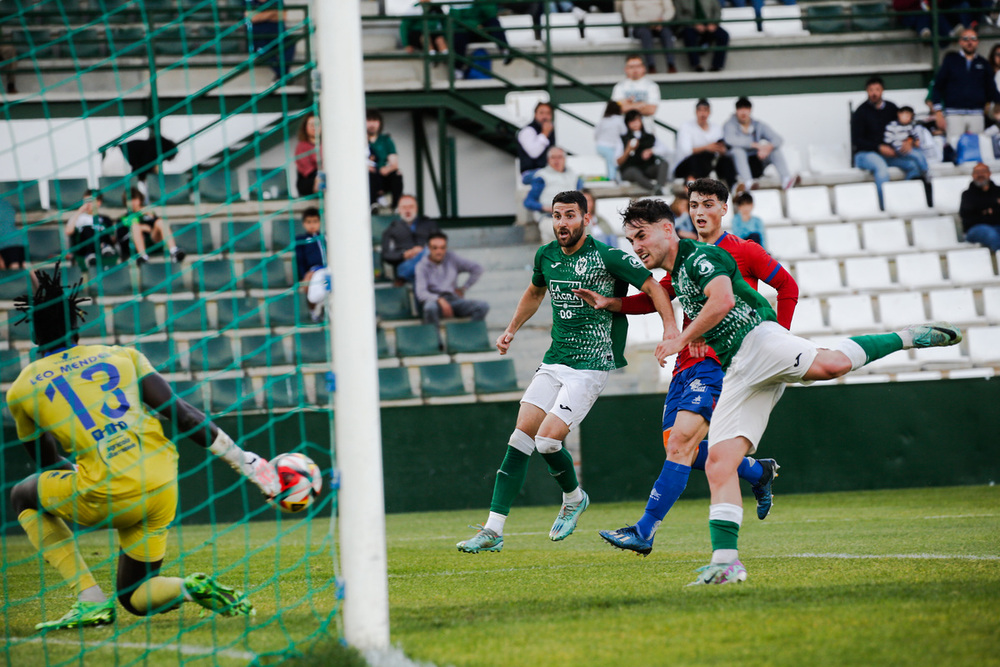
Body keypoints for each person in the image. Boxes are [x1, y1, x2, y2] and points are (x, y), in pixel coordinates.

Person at [611, 188, 961, 584]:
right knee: (718, 463)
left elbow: (723, 300)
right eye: (630, 240)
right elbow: (701, 307)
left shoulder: (700, 256)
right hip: (738, 368)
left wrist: (682, 336)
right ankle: (727, 563)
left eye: (641, 236)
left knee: (830, 365)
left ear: (666, 229)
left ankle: (908, 336)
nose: (636, 247)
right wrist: (686, 331)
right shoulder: (677, 272)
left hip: (760, 340)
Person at [7, 263, 280, 630]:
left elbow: (45, 461)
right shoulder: (124, 356)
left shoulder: (22, 388)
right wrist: (248, 463)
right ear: (77, 325)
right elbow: (182, 415)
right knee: (135, 596)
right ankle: (187, 587)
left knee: (23, 495)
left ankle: (90, 599)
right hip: (161, 484)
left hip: (105, 490)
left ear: (34, 334)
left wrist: (71, 456)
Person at [576, 178, 798, 556]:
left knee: (680, 443)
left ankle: (644, 530)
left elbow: (787, 287)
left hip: (721, 360)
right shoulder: (684, 256)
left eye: (708, 204)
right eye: (694, 205)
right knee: (679, 448)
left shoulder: (742, 251)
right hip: (686, 363)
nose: (699, 212)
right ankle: (758, 471)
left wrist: (776, 341)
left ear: (723, 209)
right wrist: (610, 303)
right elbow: (657, 296)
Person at [457, 190, 678, 554]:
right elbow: (533, 293)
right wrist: (511, 330)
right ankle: (493, 529)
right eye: (558, 216)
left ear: (585, 219)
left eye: (570, 216)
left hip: (591, 364)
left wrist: (670, 330)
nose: (562, 223)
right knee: (519, 439)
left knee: (547, 441)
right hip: (555, 359)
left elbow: (654, 287)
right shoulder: (546, 255)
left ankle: (574, 498)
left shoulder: (607, 256)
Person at [851, 76, 929, 210]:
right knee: (881, 168)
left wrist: (908, 141)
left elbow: (906, 126)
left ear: (882, 91)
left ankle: (904, 199)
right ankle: (885, 207)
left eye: (877, 89)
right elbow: (857, 141)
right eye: (871, 90)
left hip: (889, 153)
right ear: (866, 91)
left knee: (913, 165)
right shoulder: (860, 112)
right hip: (866, 154)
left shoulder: (892, 108)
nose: (874, 93)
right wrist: (878, 147)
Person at [931, 29, 1000, 151]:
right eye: (966, 39)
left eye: (973, 39)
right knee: (954, 148)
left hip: (976, 114)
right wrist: (938, 113)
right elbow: (937, 87)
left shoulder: (983, 63)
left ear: (977, 42)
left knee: (977, 149)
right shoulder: (950, 60)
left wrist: (997, 103)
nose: (970, 42)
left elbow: (991, 89)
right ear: (960, 42)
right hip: (954, 114)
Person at [722, 96, 799, 193]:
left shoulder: (758, 125)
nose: (743, 112)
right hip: (737, 166)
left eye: (746, 108)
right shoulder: (729, 124)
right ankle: (748, 183)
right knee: (737, 151)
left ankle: (786, 179)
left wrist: (767, 148)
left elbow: (778, 139)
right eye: (740, 109)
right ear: (736, 110)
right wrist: (754, 145)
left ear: (750, 110)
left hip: (756, 163)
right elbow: (730, 140)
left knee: (774, 149)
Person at [414, 232, 489, 325]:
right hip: (433, 302)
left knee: (482, 306)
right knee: (430, 308)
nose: (439, 251)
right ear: (429, 248)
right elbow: (421, 293)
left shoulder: (452, 258)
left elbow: (477, 268)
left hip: (453, 300)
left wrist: (464, 288)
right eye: (435, 248)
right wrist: (440, 300)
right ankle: (435, 339)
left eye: (442, 248)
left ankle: (468, 336)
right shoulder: (421, 266)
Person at [524, 147, 584, 242]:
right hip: (549, 217)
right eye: (553, 157)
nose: (556, 160)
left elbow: (583, 198)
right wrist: (546, 208)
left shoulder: (574, 176)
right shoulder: (542, 177)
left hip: (571, 217)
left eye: (559, 157)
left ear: (564, 159)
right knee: (566, 233)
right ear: (548, 160)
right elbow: (528, 201)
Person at [674, 98, 736, 188]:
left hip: (709, 164)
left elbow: (720, 149)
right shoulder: (686, 127)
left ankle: (735, 187)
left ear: (709, 112)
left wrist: (721, 149)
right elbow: (685, 150)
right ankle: (691, 182)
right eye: (700, 110)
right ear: (696, 112)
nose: (703, 114)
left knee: (725, 160)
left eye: (705, 110)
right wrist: (707, 147)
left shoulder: (716, 128)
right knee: (699, 157)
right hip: (686, 165)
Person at [381, 194, 440, 284]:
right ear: (399, 210)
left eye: (411, 207)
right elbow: (386, 255)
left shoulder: (429, 224)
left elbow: (440, 244)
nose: (408, 210)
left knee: (427, 255)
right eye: (404, 207)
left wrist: (421, 250)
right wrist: (405, 254)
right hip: (405, 265)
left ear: (416, 208)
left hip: (427, 264)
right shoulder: (392, 229)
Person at [120, 188, 185, 264]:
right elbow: (122, 238)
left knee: (160, 221)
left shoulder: (148, 214)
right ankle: (143, 256)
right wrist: (141, 228)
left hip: (152, 242)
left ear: (140, 200)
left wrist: (150, 217)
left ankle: (174, 251)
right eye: (129, 200)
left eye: (135, 199)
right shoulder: (124, 218)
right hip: (134, 247)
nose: (133, 202)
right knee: (136, 227)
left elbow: (157, 227)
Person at [617, 109, 671, 194]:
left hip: (647, 168)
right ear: (627, 123)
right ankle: (656, 189)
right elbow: (618, 161)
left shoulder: (649, 137)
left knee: (664, 164)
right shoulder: (622, 139)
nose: (635, 123)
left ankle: (660, 186)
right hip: (630, 170)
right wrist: (628, 150)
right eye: (632, 121)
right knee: (633, 171)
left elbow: (666, 150)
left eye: (637, 120)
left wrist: (651, 151)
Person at [622, 0, 678, 74]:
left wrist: (662, 20)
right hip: (640, 27)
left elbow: (670, 10)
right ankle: (651, 66)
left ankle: (671, 65)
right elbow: (630, 18)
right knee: (646, 34)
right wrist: (648, 23)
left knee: (666, 33)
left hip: (660, 24)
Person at [64, 191, 118, 268]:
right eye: (86, 202)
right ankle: (91, 253)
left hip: (104, 248)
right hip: (85, 248)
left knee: (100, 231)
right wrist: (79, 211)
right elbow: (68, 231)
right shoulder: (79, 218)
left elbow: (113, 238)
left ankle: (104, 247)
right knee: (88, 229)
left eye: (90, 201)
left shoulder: (105, 219)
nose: (88, 204)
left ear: (98, 203)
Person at [246, 0, 297, 81]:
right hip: (259, 38)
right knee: (262, 50)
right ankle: (283, 76)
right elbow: (251, 18)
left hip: (278, 36)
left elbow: (283, 16)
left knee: (290, 43)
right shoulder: (250, 1)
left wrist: (260, 15)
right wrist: (272, 13)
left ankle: (281, 76)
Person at [674, 0, 730, 73]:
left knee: (723, 35)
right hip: (689, 25)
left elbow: (717, 10)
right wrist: (694, 23)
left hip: (709, 24)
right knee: (689, 35)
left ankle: (717, 65)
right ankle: (696, 64)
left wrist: (714, 23)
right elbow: (678, 15)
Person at [610, 55, 661, 132]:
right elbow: (616, 109)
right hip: (624, 131)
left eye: (638, 66)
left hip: (647, 130)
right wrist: (640, 104)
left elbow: (651, 109)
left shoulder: (651, 86)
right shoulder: (619, 87)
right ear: (626, 69)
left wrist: (628, 105)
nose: (635, 69)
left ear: (644, 68)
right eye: (631, 67)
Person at [294, 207, 328, 322]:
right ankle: (314, 311)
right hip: (313, 270)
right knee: (310, 284)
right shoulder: (301, 240)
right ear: (304, 224)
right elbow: (300, 259)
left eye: (315, 221)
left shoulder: (325, 237)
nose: (312, 225)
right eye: (309, 222)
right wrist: (303, 275)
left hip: (327, 268)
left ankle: (326, 307)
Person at [367, 109, 404, 210]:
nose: (372, 124)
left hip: (382, 176)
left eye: (375, 120)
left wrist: (386, 169)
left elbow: (394, 163)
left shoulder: (385, 140)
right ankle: (373, 204)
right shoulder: (358, 139)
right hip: (366, 177)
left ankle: (395, 206)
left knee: (397, 175)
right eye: (369, 120)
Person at [960, 162, 1000, 252]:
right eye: (977, 172)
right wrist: (994, 209)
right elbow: (968, 219)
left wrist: (985, 212)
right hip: (975, 229)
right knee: (991, 234)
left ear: (989, 173)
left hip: (997, 226)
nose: (980, 175)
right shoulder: (967, 195)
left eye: (983, 171)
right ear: (972, 175)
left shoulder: (998, 191)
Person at [517, 101, 556, 179]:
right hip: (530, 173)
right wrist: (544, 133)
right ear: (535, 114)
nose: (545, 116)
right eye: (541, 113)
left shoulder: (551, 132)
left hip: (546, 171)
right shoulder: (528, 131)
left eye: (548, 113)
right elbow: (534, 153)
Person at [594, 101, 626, 182]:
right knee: (613, 162)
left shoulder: (603, 120)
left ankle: (613, 177)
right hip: (611, 146)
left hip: (600, 146)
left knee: (611, 161)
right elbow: (624, 131)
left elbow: (596, 134)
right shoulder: (619, 119)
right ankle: (612, 178)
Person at [294, 112, 320, 197]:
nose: (314, 127)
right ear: (305, 127)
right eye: (310, 124)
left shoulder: (327, 145)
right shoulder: (301, 147)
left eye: (316, 124)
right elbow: (307, 171)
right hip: (308, 180)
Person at [0, 198, 25, 270]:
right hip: (19, 239)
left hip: (6, 242)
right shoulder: (5, 203)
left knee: (14, 266)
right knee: (25, 264)